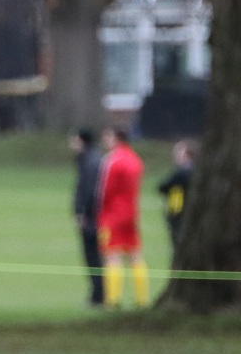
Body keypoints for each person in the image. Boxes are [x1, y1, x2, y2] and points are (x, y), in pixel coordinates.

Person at [97, 125, 148, 308]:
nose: (104, 140)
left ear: (116, 138)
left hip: (113, 214)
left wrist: (99, 211)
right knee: (135, 256)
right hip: (132, 213)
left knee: (112, 256)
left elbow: (104, 191)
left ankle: (113, 300)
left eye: (107, 136)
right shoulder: (135, 159)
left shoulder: (112, 160)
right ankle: (142, 299)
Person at [69, 128, 105, 307]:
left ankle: (98, 296)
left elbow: (89, 191)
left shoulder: (91, 162)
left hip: (92, 218)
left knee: (93, 256)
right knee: (94, 256)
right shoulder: (90, 159)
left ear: (82, 141)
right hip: (94, 216)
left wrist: (82, 213)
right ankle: (98, 294)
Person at [157, 138, 196, 253]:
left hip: (180, 212)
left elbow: (163, 187)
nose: (175, 155)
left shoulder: (184, 172)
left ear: (186, 154)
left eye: (178, 151)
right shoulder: (189, 170)